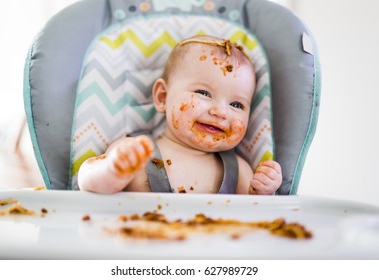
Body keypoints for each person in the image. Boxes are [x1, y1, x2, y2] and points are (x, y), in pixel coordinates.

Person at [78, 35, 282, 194]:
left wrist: (263, 191)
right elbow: (87, 182)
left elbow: (256, 218)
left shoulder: (239, 171)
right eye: (203, 93)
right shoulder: (136, 152)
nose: (220, 112)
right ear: (162, 97)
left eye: (236, 104)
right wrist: (112, 171)